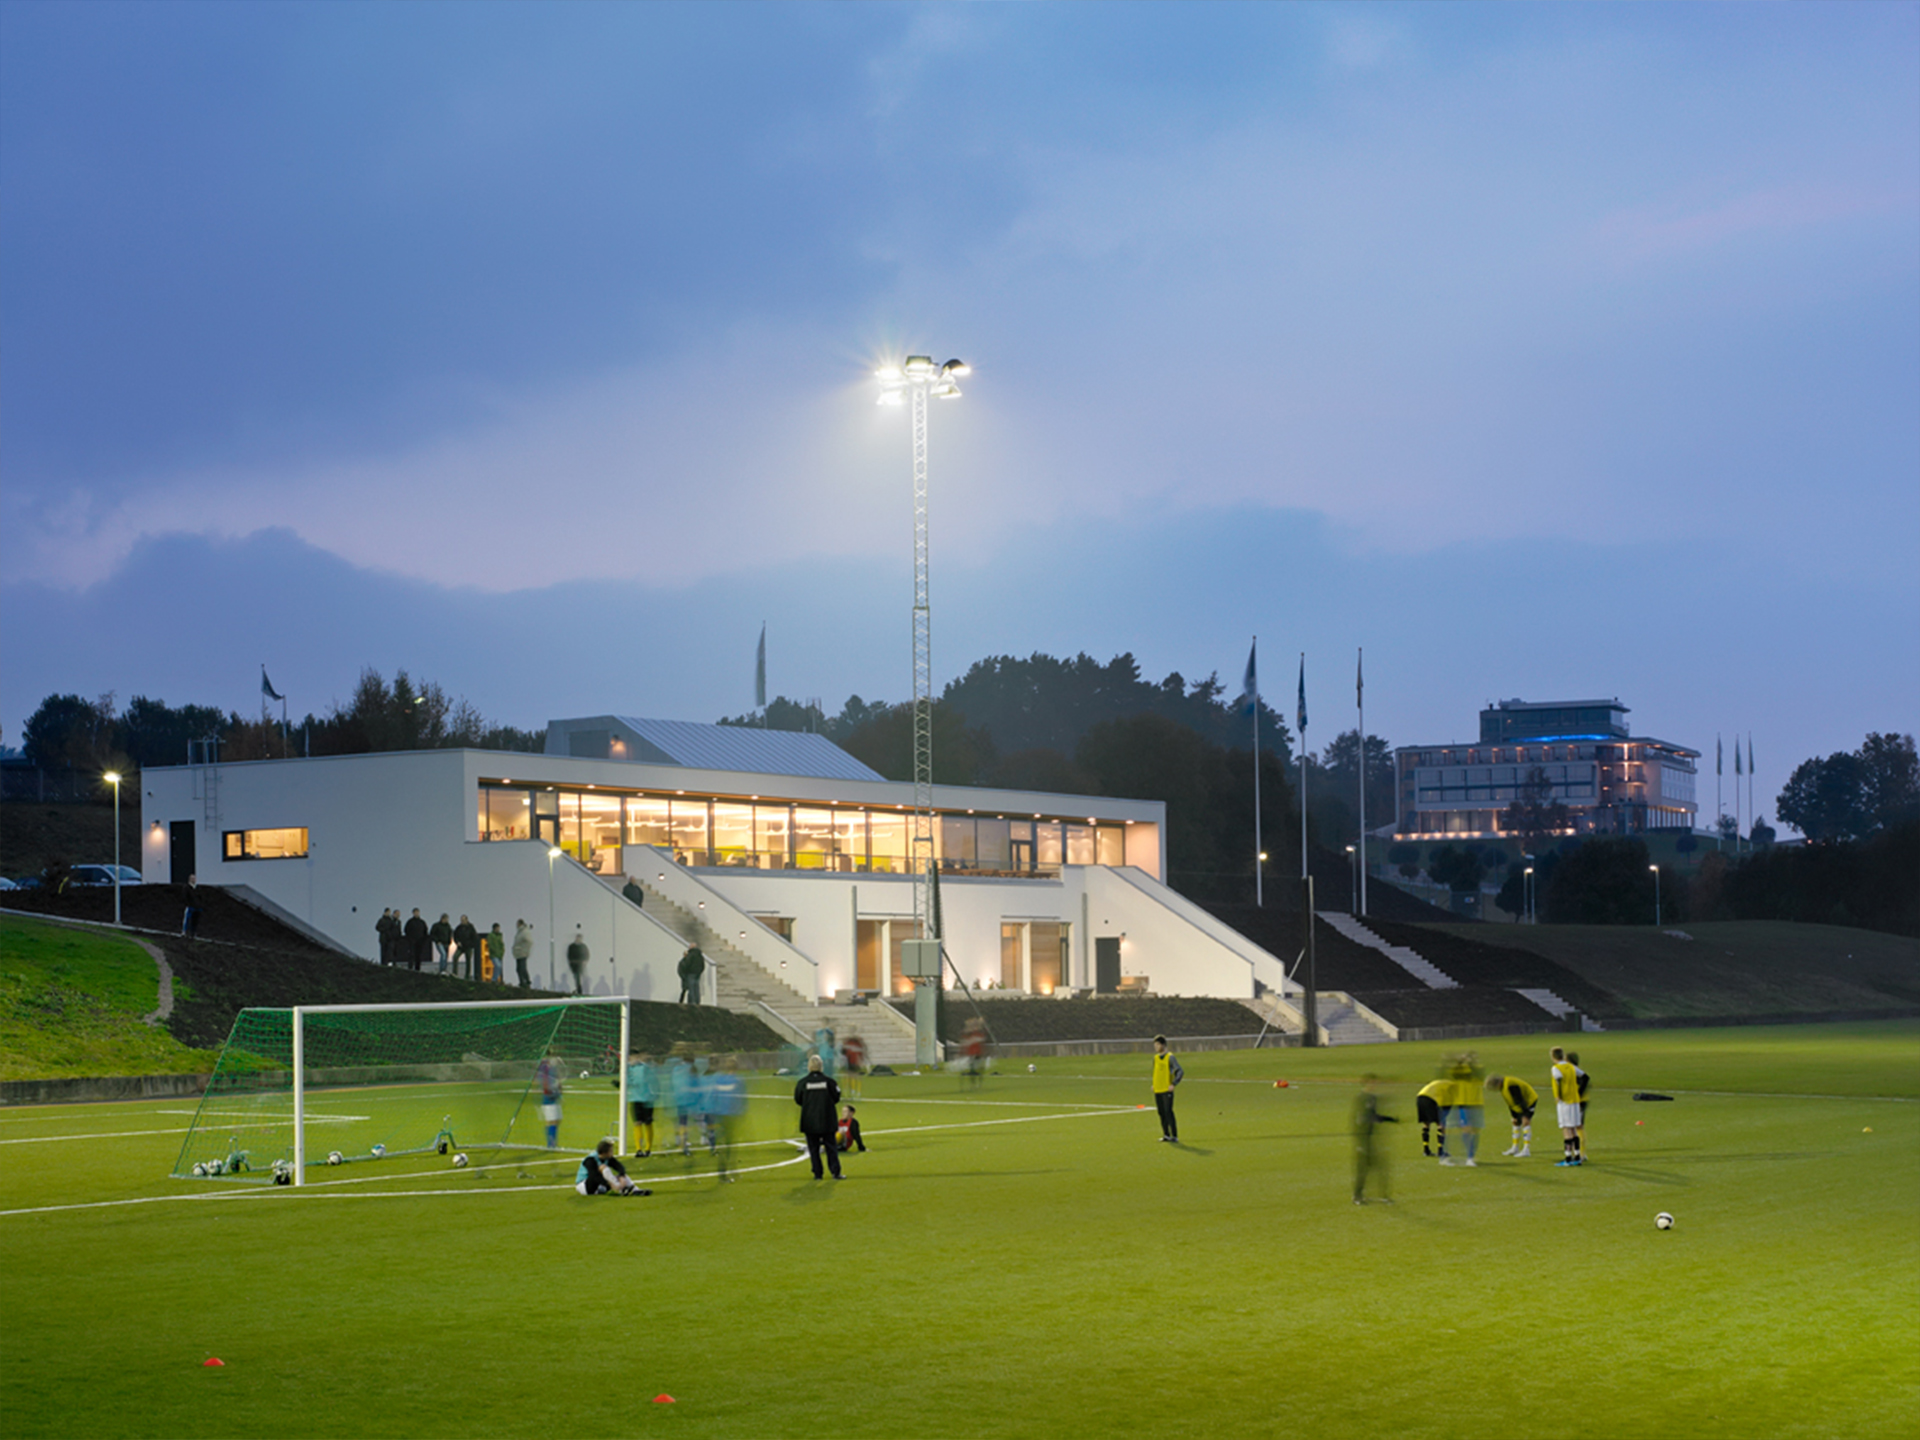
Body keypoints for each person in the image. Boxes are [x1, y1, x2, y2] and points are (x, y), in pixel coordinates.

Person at [793, 1053, 843, 1179]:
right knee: (831, 1147)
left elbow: (798, 1099)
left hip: (809, 1120)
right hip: (827, 1119)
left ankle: (817, 1173)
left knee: (813, 1149)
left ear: (809, 1066)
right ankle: (835, 1172)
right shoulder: (829, 1082)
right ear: (821, 1066)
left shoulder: (802, 1083)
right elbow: (836, 1097)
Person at [1351, 1074, 1398, 1204]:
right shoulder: (1361, 1098)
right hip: (1363, 1138)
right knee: (1363, 1168)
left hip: (1370, 1137)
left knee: (1379, 1166)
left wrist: (1390, 1119)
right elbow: (1361, 1118)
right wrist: (1359, 1140)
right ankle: (1357, 1196)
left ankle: (1382, 1195)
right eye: (1372, 1082)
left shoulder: (1372, 1098)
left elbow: (1373, 1115)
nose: (1375, 1085)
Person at [1440, 1051, 1485, 1167]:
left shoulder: (1478, 1069)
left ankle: (1470, 1156)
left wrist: (1470, 1061)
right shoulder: (1457, 1070)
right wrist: (1457, 1060)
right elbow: (1447, 1071)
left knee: (1475, 1132)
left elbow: (1477, 1072)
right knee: (1465, 1130)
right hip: (1462, 1104)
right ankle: (1468, 1157)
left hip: (1476, 1104)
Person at [707, 1057, 747, 1181]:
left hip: (721, 1116)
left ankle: (726, 1172)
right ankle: (728, 1173)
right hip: (733, 1116)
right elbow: (742, 1100)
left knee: (725, 1144)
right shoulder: (739, 1081)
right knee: (731, 1145)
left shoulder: (719, 1080)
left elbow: (713, 1097)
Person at [1486, 1073, 1539, 1158]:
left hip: (1528, 1101)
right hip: (1519, 1104)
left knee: (1525, 1122)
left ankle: (1526, 1150)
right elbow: (1510, 1102)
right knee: (1515, 1122)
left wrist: (1524, 1114)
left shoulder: (1510, 1085)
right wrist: (1514, 1115)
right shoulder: (1503, 1088)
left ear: (1498, 1084)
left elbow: (1520, 1099)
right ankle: (1515, 1148)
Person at [575, 1139, 647, 1196]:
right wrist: (610, 1184)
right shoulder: (590, 1160)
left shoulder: (607, 1158)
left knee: (621, 1176)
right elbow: (594, 1176)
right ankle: (619, 1189)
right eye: (611, 1151)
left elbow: (619, 1166)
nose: (612, 1153)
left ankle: (635, 1190)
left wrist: (621, 1176)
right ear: (604, 1153)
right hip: (585, 1186)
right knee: (603, 1167)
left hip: (599, 1185)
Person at [1550, 1046, 1583, 1167]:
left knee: (1566, 1129)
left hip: (1565, 1102)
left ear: (1553, 1057)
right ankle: (1577, 1156)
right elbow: (1583, 1076)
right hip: (1575, 1101)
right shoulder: (1571, 1066)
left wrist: (1558, 1096)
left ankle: (1568, 1158)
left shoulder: (1555, 1068)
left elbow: (1558, 1081)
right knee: (1573, 1129)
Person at [1150, 1034, 1183, 1143]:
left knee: (1168, 1112)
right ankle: (1166, 1134)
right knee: (1161, 1112)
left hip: (1166, 1089)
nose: (1156, 1047)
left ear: (1163, 1045)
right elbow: (1157, 1072)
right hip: (1158, 1089)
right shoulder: (1155, 1058)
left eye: (1157, 1045)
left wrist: (1173, 1084)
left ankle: (1174, 1135)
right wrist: (1154, 1084)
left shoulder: (1170, 1057)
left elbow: (1180, 1071)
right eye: (1155, 1045)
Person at [627, 1051, 657, 1157]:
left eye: (634, 1057)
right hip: (634, 1099)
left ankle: (648, 1149)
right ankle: (639, 1149)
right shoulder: (627, 1069)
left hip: (647, 1099)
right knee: (637, 1123)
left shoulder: (644, 1068)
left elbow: (651, 1081)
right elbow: (627, 1083)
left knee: (648, 1123)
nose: (632, 1059)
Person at [1416, 1077, 1451, 1159]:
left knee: (1426, 1123)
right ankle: (1440, 1151)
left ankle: (1426, 1150)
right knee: (1440, 1124)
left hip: (1420, 1097)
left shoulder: (1444, 1083)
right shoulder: (1452, 1088)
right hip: (1431, 1099)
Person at [537, 1054, 563, 1149]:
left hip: (554, 1096)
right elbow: (545, 1082)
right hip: (549, 1096)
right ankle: (551, 1144)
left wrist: (560, 1092)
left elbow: (558, 1082)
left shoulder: (552, 1069)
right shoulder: (546, 1069)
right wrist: (550, 1091)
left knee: (556, 1120)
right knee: (552, 1121)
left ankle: (552, 1143)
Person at [1569, 1050, 1591, 1161]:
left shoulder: (1575, 1073)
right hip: (1578, 1102)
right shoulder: (1576, 1072)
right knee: (1574, 1127)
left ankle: (1581, 1154)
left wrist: (1577, 1095)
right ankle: (1578, 1152)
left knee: (1578, 1127)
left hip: (1579, 1102)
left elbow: (1585, 1082)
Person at [840, 1034, 868, 1098]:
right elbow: (843, 1052)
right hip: (850, 1062)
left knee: (853, 1076)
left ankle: (854, 1092)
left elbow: (861, 1053)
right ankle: (853, 1092)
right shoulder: (853, 1043)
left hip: (853, 1062)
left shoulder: (854, 1043)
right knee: (852, 1076)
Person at [452, 915, 478, 980]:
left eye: (463, 920)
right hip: (460, 947)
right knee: (455, 957)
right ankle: (455, 973)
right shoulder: (458, 928)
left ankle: (467, 975)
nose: (462, 921)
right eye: (461, 920)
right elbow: (455, 935)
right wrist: (457, 942)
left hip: (468, 947)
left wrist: (471, 945)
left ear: (466, 920)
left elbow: (475, 937)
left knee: (468, 961)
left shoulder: (471, 928)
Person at [567, 928, 590, 995]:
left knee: (583, 978)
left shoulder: (583, 946)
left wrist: (584, 961)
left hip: (581, 965)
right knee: (577, 979)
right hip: (575, 966)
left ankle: (585, 990)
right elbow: (569, 956)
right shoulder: (572, 946)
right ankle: (580, 991)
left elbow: (587, 955)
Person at [511, 919, 533, 989]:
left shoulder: (524, 932)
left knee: (522, 968)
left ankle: (526, 981)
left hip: (522, 953)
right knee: (519, 969)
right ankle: (522, 982)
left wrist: (523, 949)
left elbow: (529, 941)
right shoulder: (520, 932)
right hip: (519, 953)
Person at [180, 875, 201, 939]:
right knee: (187, 919)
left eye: (194, 878)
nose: (193, 880)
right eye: (192, 878)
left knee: (195, 921)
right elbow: (184, 897)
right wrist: (188, 904)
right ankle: (184, 932)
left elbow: (200, 897)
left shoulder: (197, 888)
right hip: (190, 906)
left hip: (197, 907)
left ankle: (193, 933)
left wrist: (200, 904)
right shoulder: (186, 887)